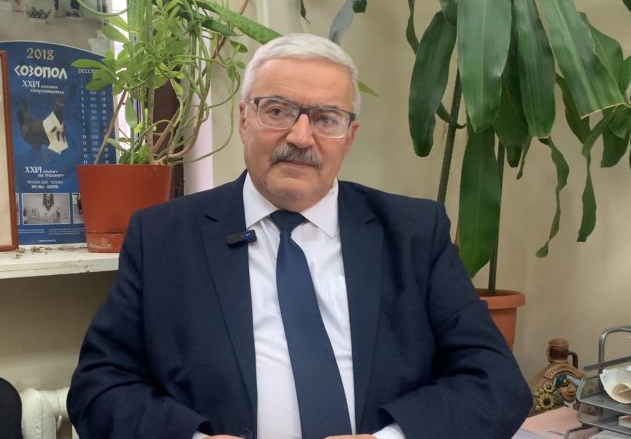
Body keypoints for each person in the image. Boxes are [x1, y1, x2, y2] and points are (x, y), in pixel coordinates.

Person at [67, 33, 532, 439]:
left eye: (326, 119)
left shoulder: (413, 233)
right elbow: (99, 387)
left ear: (349, 136)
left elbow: (496, 382)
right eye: (278, 110)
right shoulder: (164, 237)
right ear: (244, 119)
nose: (301, 136)